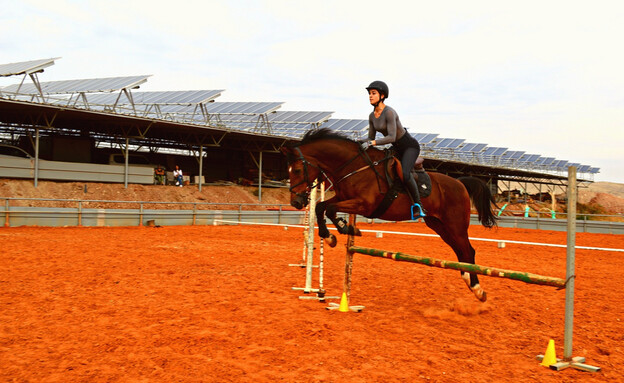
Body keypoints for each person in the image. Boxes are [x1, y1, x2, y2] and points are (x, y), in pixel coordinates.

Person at [362, 80, 425, 218]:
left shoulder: (389, 112)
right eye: (369, 94)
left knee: (405, 173)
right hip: (396, 148)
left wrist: (372, 143)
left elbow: (391, 137)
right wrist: (355, 142)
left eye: (373, 93)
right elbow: (370, 137)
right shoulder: (372, 116)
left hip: (409, 147)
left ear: (382, 95)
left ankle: (418, 205)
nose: (370, 96)